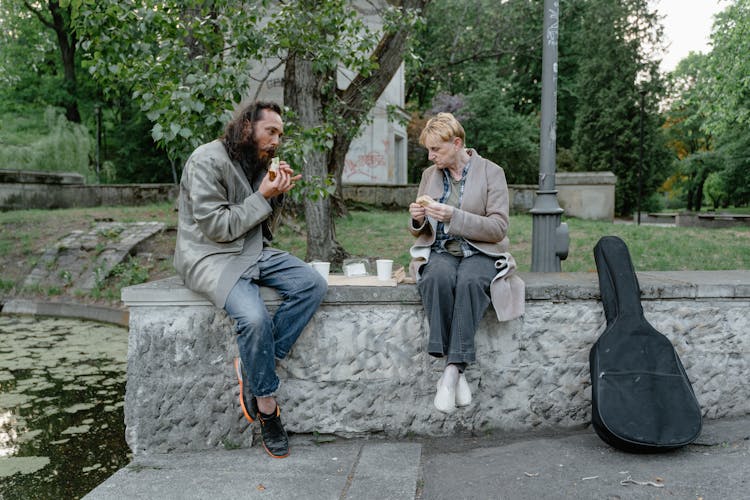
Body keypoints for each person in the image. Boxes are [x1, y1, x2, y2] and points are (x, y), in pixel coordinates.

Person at [174, 101, 328, 458]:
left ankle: (256, 366)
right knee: (254, 317)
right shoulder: (205, 160)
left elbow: (264, 229)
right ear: (247, 127)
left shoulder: (255, 162)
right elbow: (217, 227)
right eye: (270, 131)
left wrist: (277, 193)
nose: (276, 140)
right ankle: (268, 407)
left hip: (251, 250)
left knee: (312, 284)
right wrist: (263, 196)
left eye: (279, 134)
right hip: (210, 256)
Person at [408, 112, 523, 414]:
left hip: (482, 251)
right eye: (429, 150)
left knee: (471, 281)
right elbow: (421, 230)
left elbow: (499, 227)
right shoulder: (430, 176)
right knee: (435, 279)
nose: (431, 156)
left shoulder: (491, 172)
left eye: (437, 149)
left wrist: (454, 217)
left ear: (457, 143)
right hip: (443, 250)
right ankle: (455, 369)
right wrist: (417, 220)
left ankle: (450, 372)